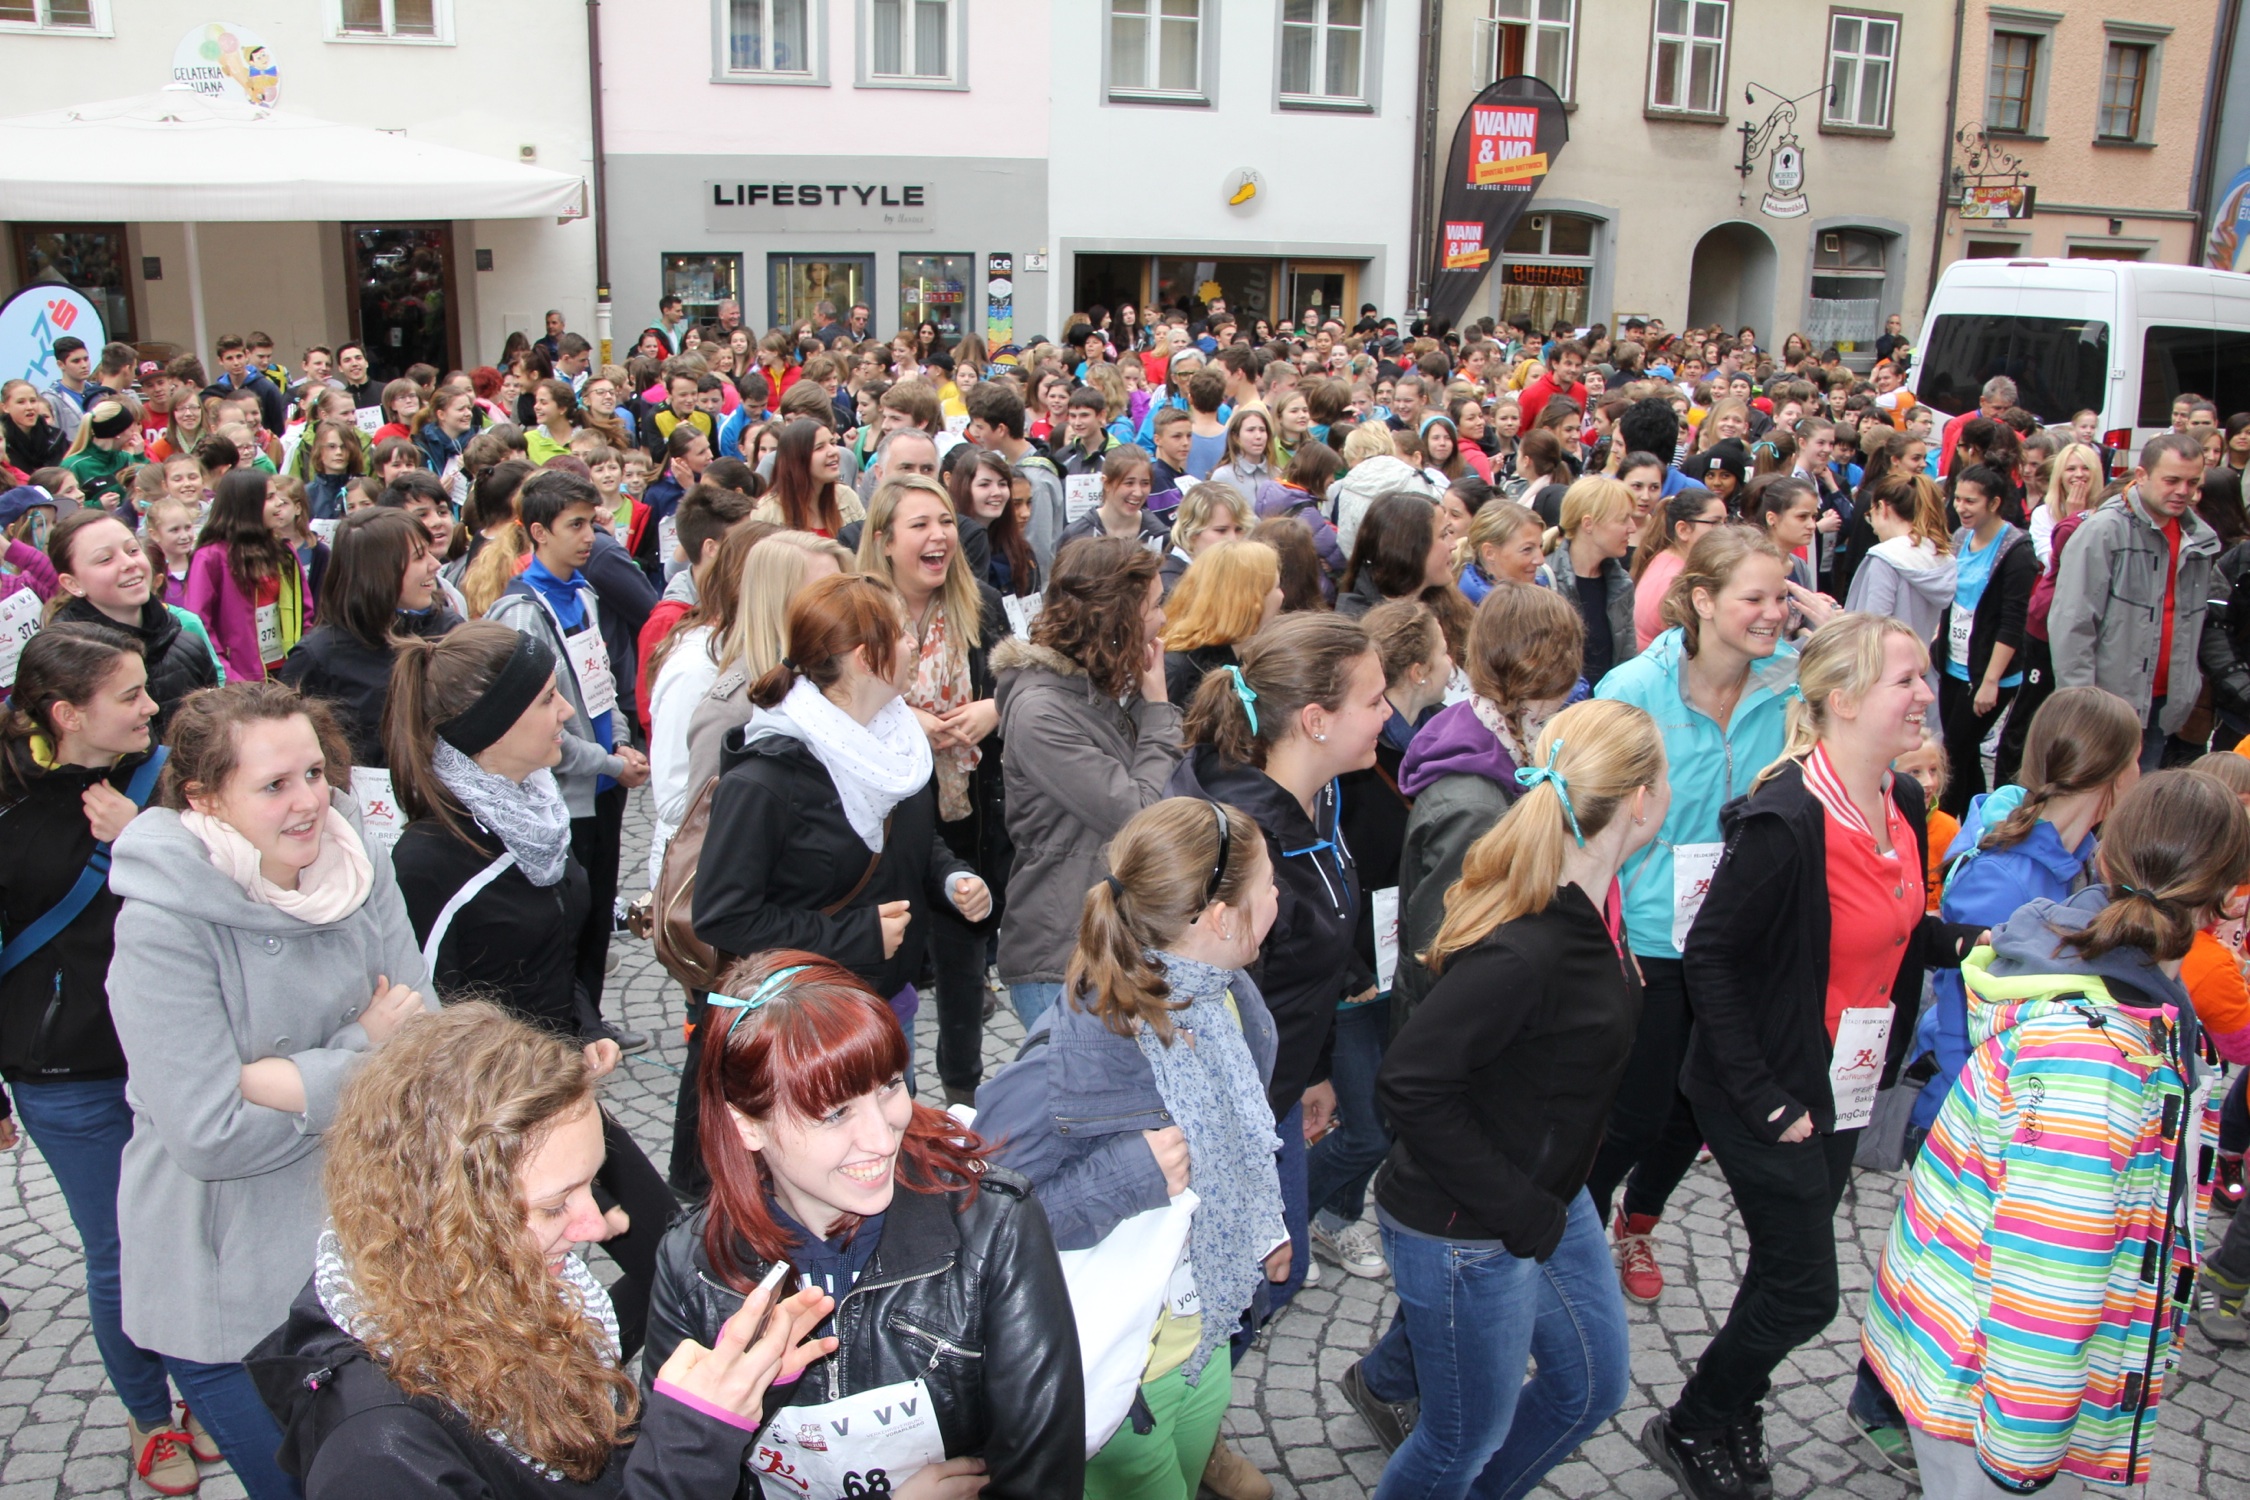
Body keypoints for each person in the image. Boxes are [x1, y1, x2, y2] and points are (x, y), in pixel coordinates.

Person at [1644, 615, 1981, 1500]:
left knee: (1779, 1268)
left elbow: (1893, 924)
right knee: (1804, 1293)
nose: (1925, 694)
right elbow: (1711, 958)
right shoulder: (1786, 818)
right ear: (1842, 700)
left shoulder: (1901, 799)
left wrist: (1964, 944)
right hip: (1766, 1093)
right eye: (1905, 679)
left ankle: (1734, 1405)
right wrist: (1763, 1097)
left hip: (1845, 1085)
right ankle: (1690, 1422)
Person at [248, 1001, 840, 1499]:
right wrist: (696, 1439)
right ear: (447, 1216)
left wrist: (734, 1393)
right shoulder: (378, 1457)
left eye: (592, 1185)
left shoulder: (495, 1299)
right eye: (556, 1205)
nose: (596, 1225)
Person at [1863, 769, 2249, 1497]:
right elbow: (2050, 1268)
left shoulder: (2132, 1003)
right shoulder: (2096, 1058)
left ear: (2107, 853)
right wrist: (2024, 1454)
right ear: (2230, 896)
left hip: (1990, 1366)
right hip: (1995, 1400)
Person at [108, 681, 431, 1500]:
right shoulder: (161, 922)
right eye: (274, 785)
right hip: (232, 1292)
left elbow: (426, 1048)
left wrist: (289, 1080)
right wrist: (361, 1045)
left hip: (369, 1257)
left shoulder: (355, 858)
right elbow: (210, 1133)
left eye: (315, 773)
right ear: (204, 798)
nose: (309, 802)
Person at [1352, 698, 1663, 1495]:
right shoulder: (1529, 947)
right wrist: (1522, 1212)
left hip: (1544, 1197)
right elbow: (1411, 1084)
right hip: (1468, 1227)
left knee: (1590, 1387)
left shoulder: (1594, 907)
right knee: (1461, 1438)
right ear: (1639, 801)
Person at [644, 953, 1083, 1496]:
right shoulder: (693, 1267)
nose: (882, 1137)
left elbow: (1039, 1477)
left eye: (890, 1085)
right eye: (834, 1113)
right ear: (747, 1125)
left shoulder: (993, 1229)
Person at [977, 796, 1288, 1500]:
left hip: (1201, 1328)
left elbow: (1237, 1139)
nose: (1279, 896)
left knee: (1191, 1456)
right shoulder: (1081, 1053)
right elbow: (982, 1209)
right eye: (1269, 884)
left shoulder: (1225, 994)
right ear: (1220, 919)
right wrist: (1126, 1176)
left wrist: (1259, 1226)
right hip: (1125, 1368)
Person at [381, 622, 676, 1359]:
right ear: (491, 726)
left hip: (557, 1094)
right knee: (531, 1304)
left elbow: (553, 956)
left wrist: (584, 1027)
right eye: (547, 699)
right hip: (491, 1130)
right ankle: (561, 1390)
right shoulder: (429, 859)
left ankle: (577, 1377)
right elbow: (426, 1022)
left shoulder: (535, 813)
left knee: (671, 1257)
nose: (568, 713)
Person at [0, 627, 210, 1494]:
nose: (151, 706)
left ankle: (204, 1381)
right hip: (65, 1074)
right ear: (66, 714)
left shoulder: (163, 779)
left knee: (193, 1229)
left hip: (177, 1051)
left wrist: (148, 838)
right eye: (129, 695)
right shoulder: (8, 800)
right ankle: (149, 1414)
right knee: (120, 1251)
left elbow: (229, 886)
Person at [1587, 528, 1800, 1308]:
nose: (1774, 613)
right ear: (1703, 600)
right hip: (1649, 939)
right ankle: (1570, 1231)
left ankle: (1638, 1220)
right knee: (1637, 1110)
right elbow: (1587, 819)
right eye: (1755, 597)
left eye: (1782, 596)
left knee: (1700, 1107)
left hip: (1741, 939)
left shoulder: (1792, 685)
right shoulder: (1633, 690)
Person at [1169, 613, 1386, 1315]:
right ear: (1316, 721)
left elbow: (1312, 963)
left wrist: (1314, 1069)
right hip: (1229, 1119)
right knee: (1246, 1288)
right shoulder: (1240, 849)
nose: (1389, 713)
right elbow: (1206, 1025)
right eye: (1374, 700)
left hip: (1279, 1090)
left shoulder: (1319, 798)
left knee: (1276, 1280)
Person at [690, 573, 991, 1069]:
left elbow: (909, 840)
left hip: (890, 1002)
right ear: (866, 658)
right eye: (901, 633)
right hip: (809, 1027)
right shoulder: (766, 780)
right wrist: (858, 936)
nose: (913, 642)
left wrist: (951, 877)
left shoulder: (897, 743)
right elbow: (724, 916)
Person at [855, 476, 1010, 1106]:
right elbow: (834, 705)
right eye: (920, 524)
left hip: (966, 811)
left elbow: (1021, 683)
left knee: (965, 964)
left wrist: (994, 708)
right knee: (889, 967)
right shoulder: (859, 614)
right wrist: (902, 718)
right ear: (885, 541)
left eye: (945, 522)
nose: (939, 536)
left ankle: (962, 1096)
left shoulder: (984, 606)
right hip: (888, 822)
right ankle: (891, 1096)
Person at [1315, 600, 1451, 1281]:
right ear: (1418, 669)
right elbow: (1329, 875)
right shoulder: (1352, 764)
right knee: (1367, 1127)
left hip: (1393, 959)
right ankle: (1280, 1220)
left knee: (1381, 1116)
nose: (1454, 663)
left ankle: (1331, 1220)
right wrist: (1350, 966)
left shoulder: (1427, 743)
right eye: (1445, 651)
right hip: (1352, 970)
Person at [992, 538, 1180, 1025]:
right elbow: (1139, 815)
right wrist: (1159, 708)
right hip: (1062, 959)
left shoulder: (1096, 685)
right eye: (1154, 606)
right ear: (1117, 618)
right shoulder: (1042, 713)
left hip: (1105, 946)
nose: (1163, 619)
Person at [279, 508, 458, 774]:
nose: (435, 564)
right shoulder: (319, 656)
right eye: (419, 557)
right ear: (379, 572)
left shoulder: (448, 629)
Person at [47, 509, 224, 735]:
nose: (129, 563)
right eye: (105, 559)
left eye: (132, 550)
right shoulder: (64, 664)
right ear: (72, 583)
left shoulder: (187, 644)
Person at [1936, 464, 2036, 815]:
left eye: (1970, 501)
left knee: (1952, 754)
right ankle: (1978, 820)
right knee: (1964, 753)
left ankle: (1944, 823)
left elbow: (2012, 621)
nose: (1961, 508)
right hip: (1953, 661)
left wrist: (1990, 680)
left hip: (1987, 671)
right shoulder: (1960, 537)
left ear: (1993, 503)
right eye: (1958, 499)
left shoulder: (2016, 551)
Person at [184, 469, 313, 683]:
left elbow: (304, 614)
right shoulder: (210, 557)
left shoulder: (284, 550)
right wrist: (229, 676)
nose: (279, 503)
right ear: (247, 505)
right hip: (240, 681)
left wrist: (304, 662)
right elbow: (198, 626)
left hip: (287, 672)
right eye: (270, 497)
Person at [1843, 473, 1957, 697]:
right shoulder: (1939, 557)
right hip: (1920, 673)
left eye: (1871, 514)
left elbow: (1873, 628)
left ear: (1883, 507)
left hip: (1882, 680)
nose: (1872, 525)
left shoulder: (1885, 558)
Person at [1162, 537, 1284, 706]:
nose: (1283, 595)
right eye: (1277, 586)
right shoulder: (1179, 669)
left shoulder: (1253, 657)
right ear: (1251, 599)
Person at [1543, 476, 1638, 686]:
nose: (1632, 528)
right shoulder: (1545, 580)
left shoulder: (1621, 584)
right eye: (1623, 519)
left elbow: (1627, 661)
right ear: (1588, 524)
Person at [1632, 488, 1728, 651]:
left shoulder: (1669, 560)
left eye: (1725, 522)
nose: (1725, 531)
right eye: (1715, 523)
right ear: (1683, 530)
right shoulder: (1672, 580)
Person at [1058, 445, 1169, 553]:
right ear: (1106, 483)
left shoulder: (1160, 536)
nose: (1138, 493)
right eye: (1129, 483)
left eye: (1145, 483)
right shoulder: (1077, 534)